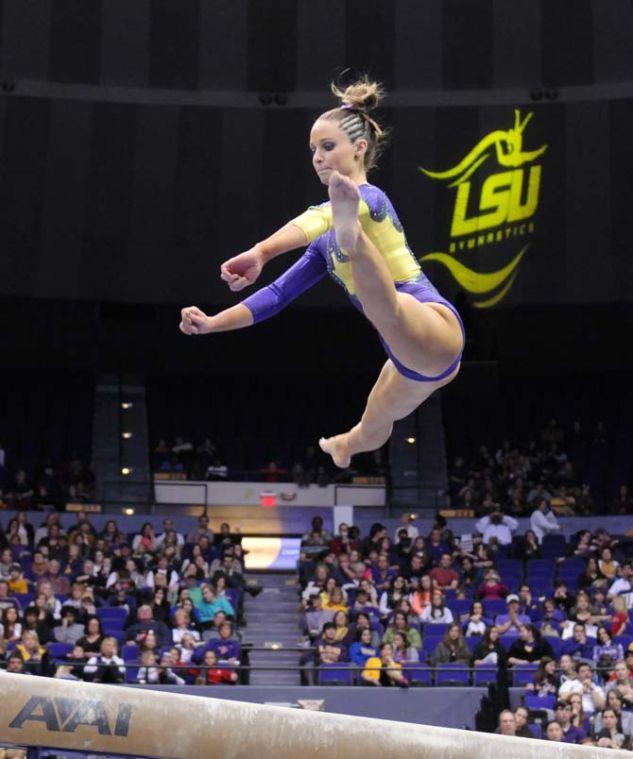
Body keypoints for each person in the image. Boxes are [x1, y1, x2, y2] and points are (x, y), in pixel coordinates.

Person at [180, 77, 464, 467]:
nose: (317, 156)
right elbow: (276, 296)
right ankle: (344, 447)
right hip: (412, 360)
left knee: (383, 303)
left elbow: (319, 217)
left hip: (430, 319)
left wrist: (262, 250)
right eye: (313, 149)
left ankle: (356, 242)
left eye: (328, 147)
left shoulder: (370, 198)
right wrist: (213, 324)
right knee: (372, 424)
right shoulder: (322, 247)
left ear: (359, 149)